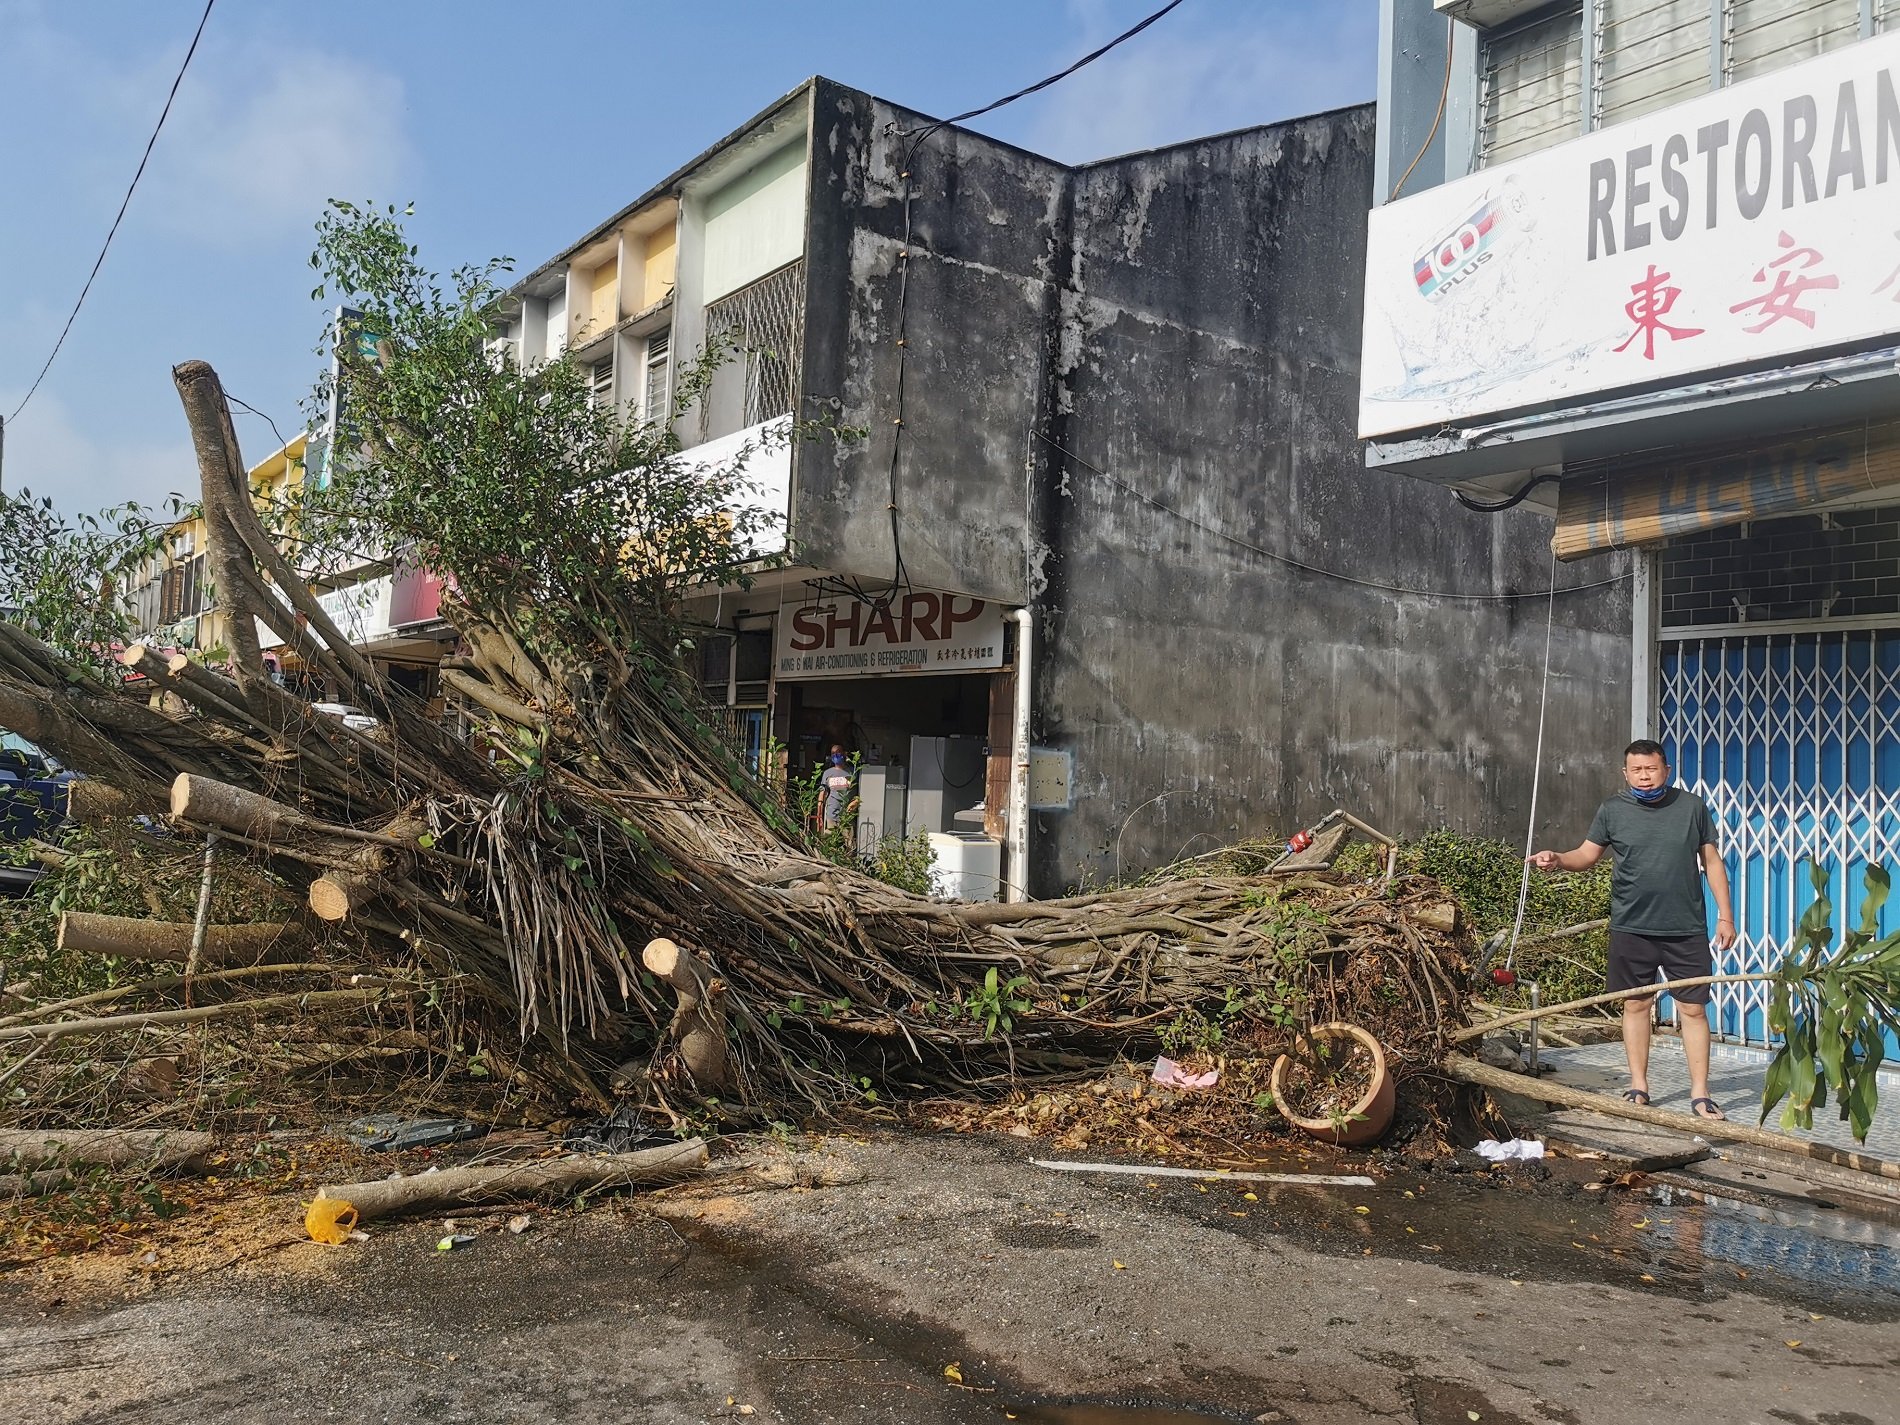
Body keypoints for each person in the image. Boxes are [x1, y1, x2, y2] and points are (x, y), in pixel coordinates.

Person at [1528, 739, 1735, 1120]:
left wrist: (1726, 916)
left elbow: (1712, 862)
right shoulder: (1612, 810)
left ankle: (1701, 1093)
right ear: (1625, 773)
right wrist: (1556, 857)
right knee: (1636, 1004)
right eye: (1636, 770)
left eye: (1651, 768)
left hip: (1685, 928)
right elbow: (1586, 856)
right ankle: (1638, 1085)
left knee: (1692, 1009)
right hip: (1632, 927)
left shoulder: (1691, 807)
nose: (1644, 775)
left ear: (1666, 770)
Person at [816, 746, 856, 841]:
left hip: (847, 816)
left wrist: (854, 804)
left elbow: (857, 792)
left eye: (838, 752)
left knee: (849, 844)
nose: (836, 755)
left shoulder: (852, 772)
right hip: (831, 814)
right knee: (831, 842)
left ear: (844, 754)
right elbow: (823, 792)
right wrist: (819, 811)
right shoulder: (827, 773)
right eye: (833, 753)